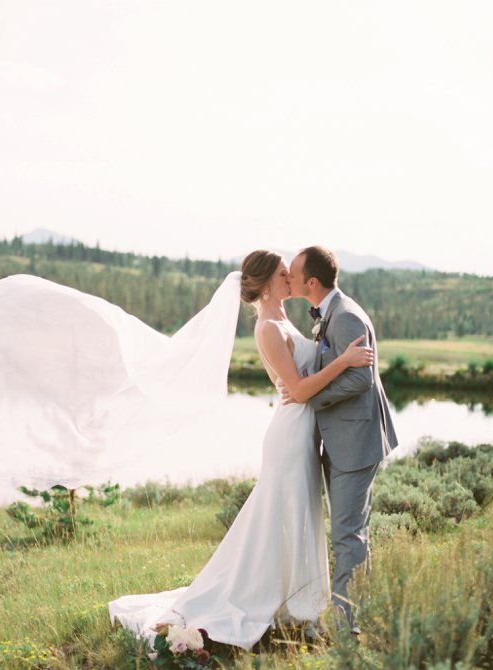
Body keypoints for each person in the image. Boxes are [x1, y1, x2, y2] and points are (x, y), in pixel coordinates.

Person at [107, 250, 374, 649]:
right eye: (284, 274)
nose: (291, 279)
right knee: (280, 516)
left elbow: (303, 381)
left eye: (290, 272)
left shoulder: (284, 319)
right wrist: (346, 360)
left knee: (297, 515)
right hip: (290, 435)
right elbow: (299, 391)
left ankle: (295, 600)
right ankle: (266, 599)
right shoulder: (267, 327)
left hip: (304, 432)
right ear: (266, 283)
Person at [287, 246, 398, 635]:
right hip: (344, 438)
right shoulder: (332, 312)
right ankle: (355, 616)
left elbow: (361, 378)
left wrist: (311, 398)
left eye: (294, 273)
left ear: (311, 283)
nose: (289, 277)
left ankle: (345, 624)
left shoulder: (346, 316)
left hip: (355, 441)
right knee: (351, 534)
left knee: (347, 535)